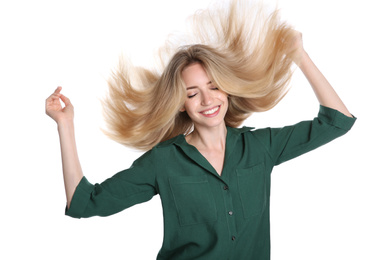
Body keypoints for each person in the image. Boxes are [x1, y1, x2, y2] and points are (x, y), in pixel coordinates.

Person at [45, 1, 356, 259]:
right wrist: (66, 125)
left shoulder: (261, 147)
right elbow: (84, 203)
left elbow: (337, 121)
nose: (207, 100)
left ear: (228, 90)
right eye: (192, 93)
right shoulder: (163, 161)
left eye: (214, 86)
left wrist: (298, 55)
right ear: (181, 103)